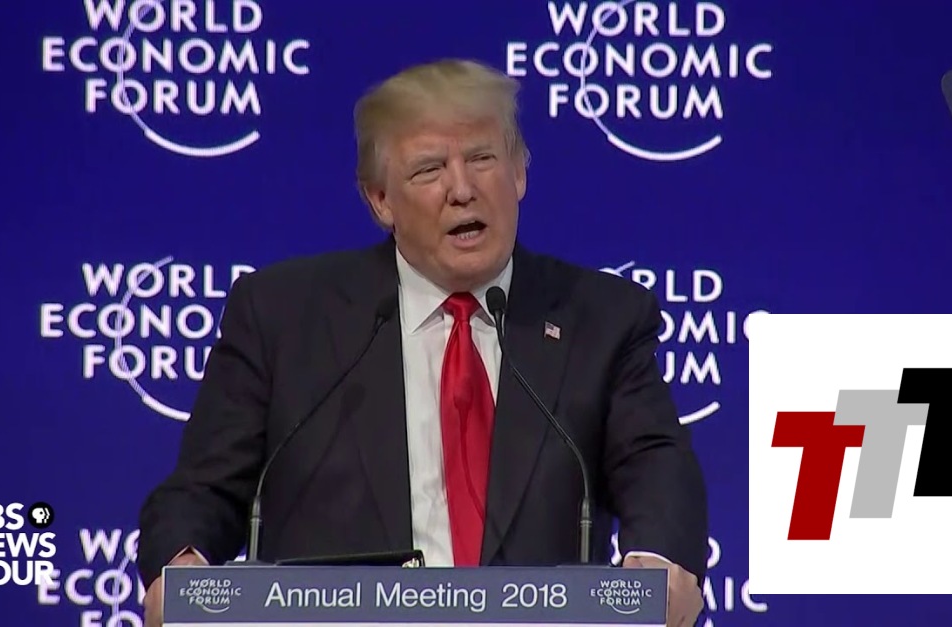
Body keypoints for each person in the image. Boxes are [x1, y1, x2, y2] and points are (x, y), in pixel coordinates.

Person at [138, 58, 708, 627]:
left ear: (519, 173)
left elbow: (654, 466)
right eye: (429, 169)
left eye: (482, 159)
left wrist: (659, 564)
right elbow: (202, 491)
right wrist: (182, 565)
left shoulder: (600, 319)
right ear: (380, 200)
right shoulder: (283, 317)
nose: (462, 189)